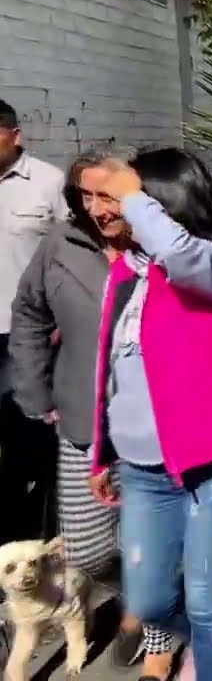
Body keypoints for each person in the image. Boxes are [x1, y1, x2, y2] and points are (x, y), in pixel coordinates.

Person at [88, 148, 212, 680]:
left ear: (166, 201)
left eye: (127, 199)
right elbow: (108, 367)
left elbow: (182, 255)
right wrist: (102, 451)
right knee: (149, 599)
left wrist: (133, 196)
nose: (110, 210)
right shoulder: (128, 274)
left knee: (207, 603)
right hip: (143, 466)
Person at [8, 151, 177, 678]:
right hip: (83, 420)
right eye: (86, 195)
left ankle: (156, 636)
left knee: (146, 541)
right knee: (86, 548)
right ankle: (136, 598)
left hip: (155, 423)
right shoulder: (61, 245)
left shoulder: (161, 244)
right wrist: (36, 392)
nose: (98, 208)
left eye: (109, 194)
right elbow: (30, 311)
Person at [0, 98, 66, 547]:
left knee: (31, 440)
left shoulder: (48, 182)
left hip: (27, 336)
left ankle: (42, 540)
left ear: (14, 135)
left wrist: (63, 319)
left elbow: (72, 255)